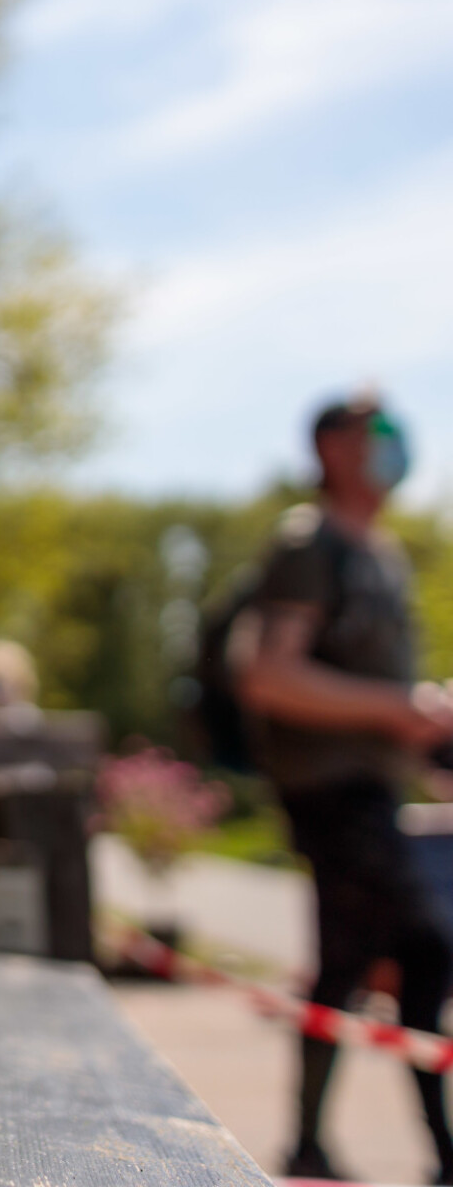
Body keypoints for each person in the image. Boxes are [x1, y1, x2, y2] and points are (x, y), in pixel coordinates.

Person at [231, 395, 453, 1182]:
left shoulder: (383, 553)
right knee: (426, 949)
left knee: (348, 966)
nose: (395, 449)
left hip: (375, 787)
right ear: (332, 448)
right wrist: (399, 708)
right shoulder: (310, 542)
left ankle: (312, 1146)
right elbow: (268, 674)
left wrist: (420, 735)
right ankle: (435, 1152)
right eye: (377, 435)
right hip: (329, 793)